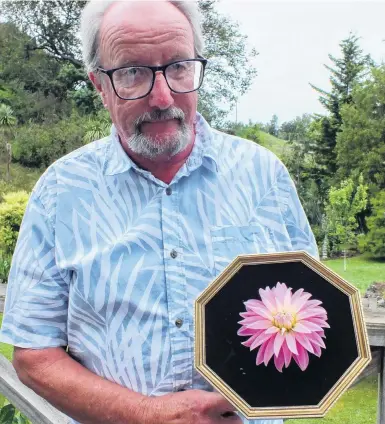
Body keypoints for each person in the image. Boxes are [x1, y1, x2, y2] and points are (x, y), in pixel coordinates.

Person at [0, 1, 318, 423]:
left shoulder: (263, 177)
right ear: (99, 84)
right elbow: (34, 354)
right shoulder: (61, 192)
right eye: (132, 72)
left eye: (179, 67)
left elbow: (314, 312)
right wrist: (146, 414)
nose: (163, 96)